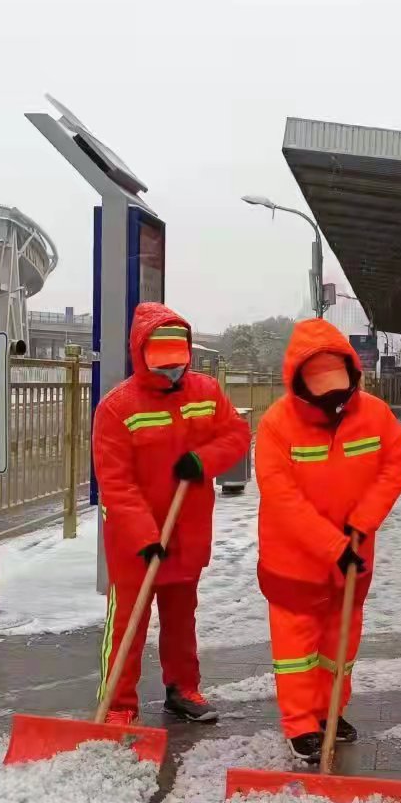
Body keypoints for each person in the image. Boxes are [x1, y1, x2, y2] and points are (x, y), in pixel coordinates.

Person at [255, 320, 401, 761]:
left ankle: (330, 711)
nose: (333, 400)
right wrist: (333, 544)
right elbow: (282, 497)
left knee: (339, 644)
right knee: (296, 649)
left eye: (339, 389)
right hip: (295, 561)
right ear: (299, 383)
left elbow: (396, 463)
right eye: (322, 390)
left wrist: (362, 524)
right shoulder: (276, 426)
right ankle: (300, 723)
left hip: (354, 553)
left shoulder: (374, 414)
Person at [92, 303, 252, 725]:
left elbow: (236, 434)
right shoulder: (116, 408)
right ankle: (119, 704)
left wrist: (204, 460)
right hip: (136, 541)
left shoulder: (207, 393)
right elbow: (116, 483)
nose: (171, 373)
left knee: (182, 619)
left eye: (177, 365)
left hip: (188, 529)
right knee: (128, 622)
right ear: (141, 354)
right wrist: (145, 538)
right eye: (162, 366)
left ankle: (183, 689)